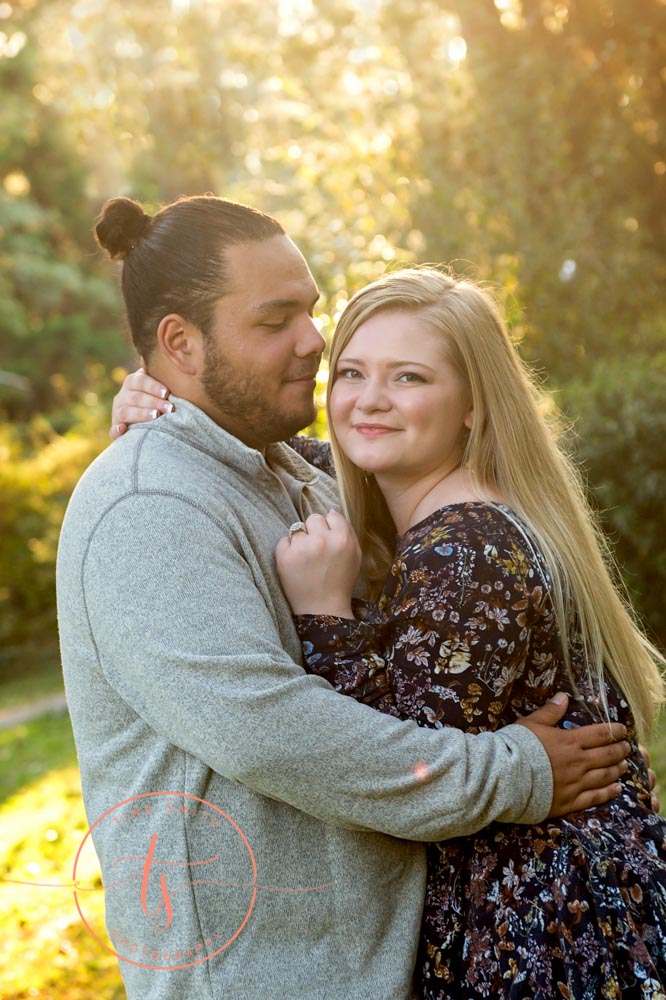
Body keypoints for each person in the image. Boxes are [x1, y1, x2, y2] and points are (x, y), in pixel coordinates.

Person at [72, 193, 631, 1000]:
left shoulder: (283, 469)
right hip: (269, 978)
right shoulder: (147, 507)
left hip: (378, 962)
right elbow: (272, 733)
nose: (315, 342)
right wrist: (515, 772)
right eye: (275, 322)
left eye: (312, 310)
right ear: (180, 343)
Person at [268, 267, 666, 998]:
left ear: (473, 408)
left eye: (409, 377)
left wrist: (324, 615)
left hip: (540, 927)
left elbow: (408, 776)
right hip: (553, 904)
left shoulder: (467, 547)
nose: (370, 400)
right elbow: (325, 449)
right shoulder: (464, 510)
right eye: (351, 371)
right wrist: (160, 403)